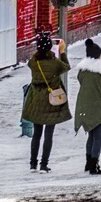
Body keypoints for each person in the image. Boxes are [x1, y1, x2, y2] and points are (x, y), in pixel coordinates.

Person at [23, 34, 71, 171]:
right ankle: (44, 165)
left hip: (36, 100)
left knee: (36, 134)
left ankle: (33, 163)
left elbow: (31, 61)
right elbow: (66, 66)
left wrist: (39, 51)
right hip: (51, 101)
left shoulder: (34, 62)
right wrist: (62, 51)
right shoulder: (55, 63)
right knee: (48, 134)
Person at [72, 39, 101, 175]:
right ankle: (94, 165)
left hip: (85, 106)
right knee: (98, 137)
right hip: (99, 106)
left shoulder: (82, 71)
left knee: (91, 135)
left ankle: (88, 162)